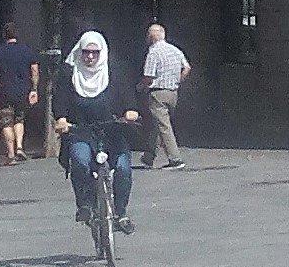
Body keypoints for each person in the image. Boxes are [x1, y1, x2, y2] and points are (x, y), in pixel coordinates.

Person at [50, 33, 141, 238]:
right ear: (79, 52)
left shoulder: (114, 71)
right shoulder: (68, 74)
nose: (90, 57)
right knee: (80, 161)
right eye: (86, 52)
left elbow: (128, 95)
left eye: (95, 52)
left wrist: (130, 111)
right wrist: (61, 119)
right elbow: (60, 99)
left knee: (124, 168)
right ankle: (85, 205)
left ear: (102, 53)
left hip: (111, 130)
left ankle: (120, 213)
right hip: (81, 131)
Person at [138, 22, 190, 168]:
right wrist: (177, 81)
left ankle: (175, 159)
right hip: (173, 93)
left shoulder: (153, 52)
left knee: (163, 126)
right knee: (158, 124)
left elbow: (149, 75)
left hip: (158, 93)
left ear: (150, 37)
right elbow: (186, 67)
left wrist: (140, 86)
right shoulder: (175, 50)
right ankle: (149, 156)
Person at [0, 24, 38, 164]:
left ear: (5, 35)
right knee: (19, 119)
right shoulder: (27, 50)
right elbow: (34, 70)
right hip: (23, 90)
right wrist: (34, 89)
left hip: (3, 91)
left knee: (6, 122)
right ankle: (20, 147)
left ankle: (11, 153)